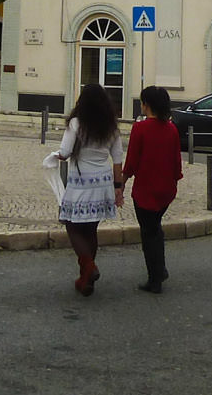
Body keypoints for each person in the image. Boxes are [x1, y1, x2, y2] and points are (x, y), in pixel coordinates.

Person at [49, 83, 125, 297]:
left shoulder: (76, 123)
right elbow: (118, 160)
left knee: (71, 223)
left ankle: (89, 266)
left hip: (81, 182)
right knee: (91, 229)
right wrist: (118, 188)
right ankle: (85, 278)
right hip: (103, 183)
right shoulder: (111, 126)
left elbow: (64, 151)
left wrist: (53, 157)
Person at [122, 85, 183, 294]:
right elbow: (177, 162)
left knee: (148, 234)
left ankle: (155, 278)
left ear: (146, 104)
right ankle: (160, 269)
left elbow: (131, 163)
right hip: (166, 190)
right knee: (155, 228)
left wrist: (120, 185)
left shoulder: (140, 128)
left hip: (146, 190)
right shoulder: (172, 129)